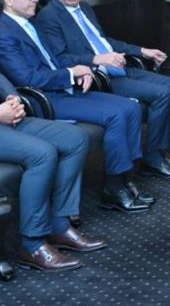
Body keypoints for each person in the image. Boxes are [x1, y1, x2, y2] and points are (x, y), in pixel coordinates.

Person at [0, 0, 152, 214]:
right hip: (44, 98)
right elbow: (27, 78)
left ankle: (126, 178)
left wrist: (80, 69)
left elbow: (55, 59)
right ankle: (114, 189)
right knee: (116, 115)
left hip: (63, 88)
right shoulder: (4, 31)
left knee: (130, 107)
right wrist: (70, 74)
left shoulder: (31, 23)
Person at [36, 0, 170, 178]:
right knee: (162, 94)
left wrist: (142, 51)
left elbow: (104, 41)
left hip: (117, 67)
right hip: (99, 77)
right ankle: (153, 160)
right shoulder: (49, 17)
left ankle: (160, 151)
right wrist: (98, 59)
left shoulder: (84, 8)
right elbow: (60, 59)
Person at [0, 72, 107, 272]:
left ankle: (59, 226)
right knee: (42, 154)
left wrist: (12, 98)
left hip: (5, 119)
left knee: (75, 139)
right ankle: (32, 245)